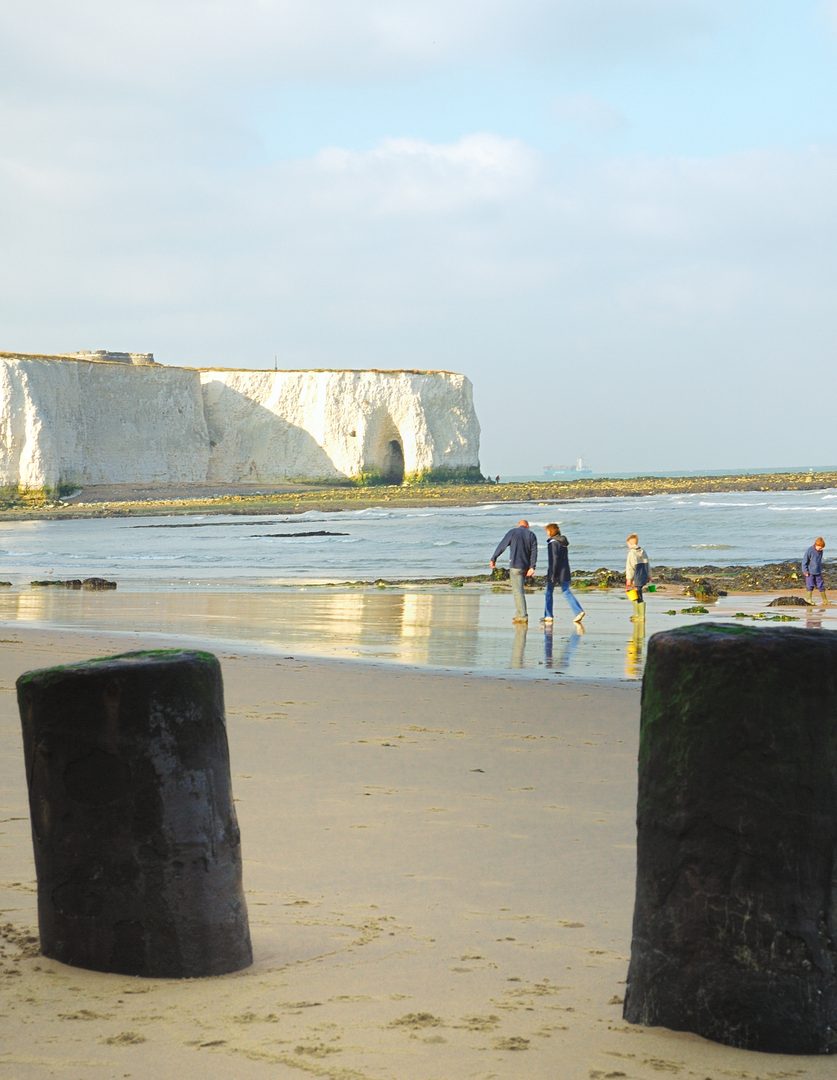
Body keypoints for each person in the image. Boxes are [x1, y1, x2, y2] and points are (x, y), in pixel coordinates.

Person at [490, 519, 537, 623]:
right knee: (519, 591)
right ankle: (519, 614)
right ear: (527, 526)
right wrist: (532, 567)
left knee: (517, 591)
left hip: (515, 565)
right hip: (525, 567)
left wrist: (494, 558)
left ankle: (523, 616)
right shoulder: (531, 535)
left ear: (518, 525)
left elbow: (502, 546)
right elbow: (534, 552)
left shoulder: (513, 532)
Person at [541, 523, 585, 626]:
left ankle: (549, 615)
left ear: (551, 531)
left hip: (555, 571)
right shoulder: (562, 542)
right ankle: (578, 610)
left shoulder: (553, 543)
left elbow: (554, 559)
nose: (546, 533)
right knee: (566, 591)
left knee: (549, 592)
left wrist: (552, 574)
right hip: (565, 570)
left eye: (547, 531)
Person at [625, 533, 651, 619]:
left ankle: (640, 615)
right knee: (639, 592)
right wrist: (649, 575)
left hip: (636, 576)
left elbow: (630, 568)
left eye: (627, 544)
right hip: (643, 574)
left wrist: (629, 579)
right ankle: (639, 614)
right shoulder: (643, 552)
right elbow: (648, 564)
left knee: (636, 595)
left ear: (630, 543)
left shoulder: (631, 553)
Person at [802, 536, 827, 606]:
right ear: (816, 545)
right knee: (810, 586)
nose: (821, 549)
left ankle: (825, 600)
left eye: (822, 547)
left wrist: (820, 569)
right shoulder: (809, 550)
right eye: (820, 547)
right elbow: (804, 562)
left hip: (818, 572)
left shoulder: (821, 551)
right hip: (810, 573)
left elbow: (818, 561)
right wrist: (805, 571)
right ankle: (808, 599)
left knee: (821, 585)